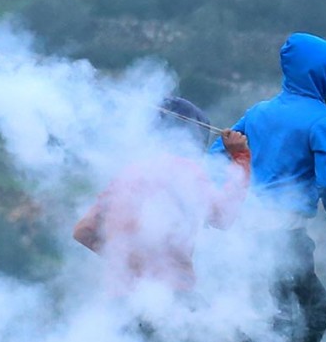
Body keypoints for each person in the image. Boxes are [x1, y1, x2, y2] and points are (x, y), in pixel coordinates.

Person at [211, 32, 326, 342]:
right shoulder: (321, 120)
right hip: (286, 236)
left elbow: (217, 156)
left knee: (275, 312)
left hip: (250, 233)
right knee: (316, 312)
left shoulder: (259, 111)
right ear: (324, 75)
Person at [73, 97, 251, 296]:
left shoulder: (128, 174)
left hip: (120, 297)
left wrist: (123, 259)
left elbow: (83, 231)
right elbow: (223, 217)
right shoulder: (186, 171)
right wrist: (240, 156)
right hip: (171, 295)